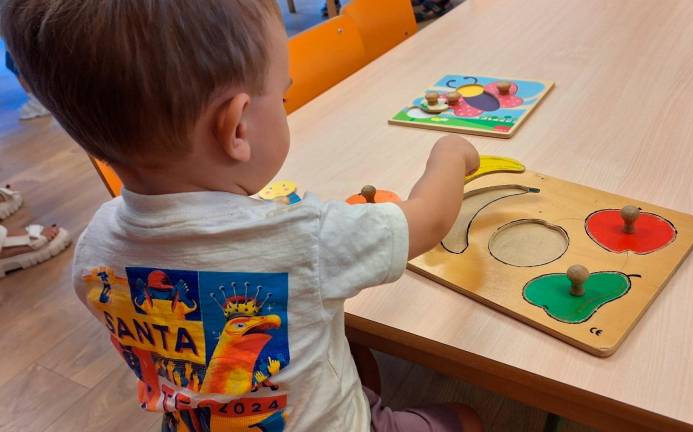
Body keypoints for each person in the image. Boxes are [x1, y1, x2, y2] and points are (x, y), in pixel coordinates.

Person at [2, 1, 483, 431]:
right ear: (236, 128)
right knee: (464, 418)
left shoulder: (91, 253)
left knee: (353, 359)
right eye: (284, 97)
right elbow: (430, 218)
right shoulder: (304, 237)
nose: (286, 105)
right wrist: (450, 152)